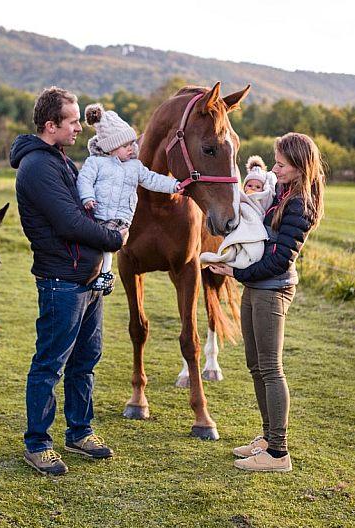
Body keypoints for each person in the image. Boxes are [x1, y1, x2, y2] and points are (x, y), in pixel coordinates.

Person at [10, 87, 128, 476]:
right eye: (73, 121)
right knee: (50, 363)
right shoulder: (38, 167)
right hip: (61, 279)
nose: (80, 127)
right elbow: (69, 221)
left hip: (87, 278)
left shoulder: (60, 160)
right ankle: (38, 443)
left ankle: (79, 430)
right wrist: (114, 238)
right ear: (51, 125)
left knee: (86, 359)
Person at [208, 133, 325, 472]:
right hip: (256, 285)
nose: (274, 168)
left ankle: (278, 453)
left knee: (271, 368)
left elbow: (280, 259)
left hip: (272, 288)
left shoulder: (301, 203)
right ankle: (267, 437)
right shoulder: (283, 194)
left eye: (281, 164)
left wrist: (235, 272)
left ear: (300, 166)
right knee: (255, 364)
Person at [77, 103, 182, 294]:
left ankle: (105, 276)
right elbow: (84, 180)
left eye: (132, 144)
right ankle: (100, 275)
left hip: (123, 218)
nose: (132, 149)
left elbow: (152, 180)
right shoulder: (96, 163)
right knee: (100, 249)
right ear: (111, 148)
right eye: (125, 146)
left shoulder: (135, 166)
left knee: (111, 248)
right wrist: (87, 197)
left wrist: (174, 185)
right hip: (100, 214)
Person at [199, 156, 276, 269]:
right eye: (249, 185)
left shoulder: (262, 199)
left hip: (255, 230)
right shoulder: (240, 197)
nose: (253, 188)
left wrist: (269, 178)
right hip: (241, 228)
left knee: (254, 249)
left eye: (258, 187)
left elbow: (270, 190)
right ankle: (224, 258)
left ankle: (239, 260)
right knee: (234, 246)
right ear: (244, 187)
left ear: (262, 189)